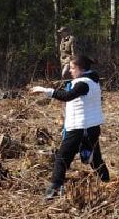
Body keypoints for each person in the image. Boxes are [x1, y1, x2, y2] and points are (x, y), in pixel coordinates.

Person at [30, 52, 110, 198]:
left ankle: (53, 190)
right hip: (91, 127)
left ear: (80, 68)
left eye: (72, 68)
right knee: (95, 159)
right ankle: (107, 183)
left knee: (62, 157)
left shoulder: (83, 83)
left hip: (80, 128)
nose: (70, 71)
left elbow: (67, 96)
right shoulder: (93, 81)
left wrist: (45, 90)